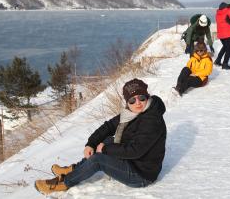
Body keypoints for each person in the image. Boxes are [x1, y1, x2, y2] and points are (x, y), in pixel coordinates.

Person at [34, 79, 167, 195]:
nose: (138, 103)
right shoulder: (131, 113)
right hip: (133, 161)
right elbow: (109, 126)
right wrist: (91, 143)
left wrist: (105, 150)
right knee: (107, 140)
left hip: (141, 174)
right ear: (127, 103)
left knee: (99, 159)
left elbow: (135, 150)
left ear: (147, 97)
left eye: (141, 98)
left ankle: (64, 182)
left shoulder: (152, 119)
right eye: (132, 100)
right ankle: (75, 169)